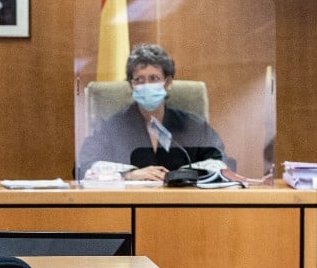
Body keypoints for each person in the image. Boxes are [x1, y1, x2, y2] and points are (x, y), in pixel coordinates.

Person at [77, 43, 230, 181]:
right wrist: (129, 175)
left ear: (168, 83)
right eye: (139, 80)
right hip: (130, 207)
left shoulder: (192, 126)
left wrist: (184, 175)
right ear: (131, 85)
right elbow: (83, 166)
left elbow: (222, 163)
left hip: (182, 206)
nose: (146, 85)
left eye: (154, 78)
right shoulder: (113, 127)